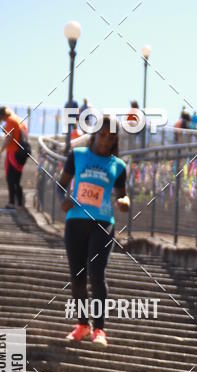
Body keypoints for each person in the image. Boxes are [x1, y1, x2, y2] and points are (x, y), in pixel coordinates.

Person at [57, 116, 129, 347]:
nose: (106, 141)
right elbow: (61, 184)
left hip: (102, 223)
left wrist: (124, 202)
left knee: (97, 274)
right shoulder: (77, 155)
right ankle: (82, 325)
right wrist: (63, 200)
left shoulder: (118, 165)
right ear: (95, 134)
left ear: (115, 141)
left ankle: (99, 329)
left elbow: (122, 195)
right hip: (76, 220)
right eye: (102, 135)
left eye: (111, 138)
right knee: (77, 277)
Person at [0, 106, 29, 209]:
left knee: (11, 178)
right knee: (16, 179)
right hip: (22, 153)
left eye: (2, 118)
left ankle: (12, 203)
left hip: (13, 153)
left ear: (3, 115)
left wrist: (0, 152)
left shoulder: (10, 121)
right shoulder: (19, 119)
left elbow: (9, 138)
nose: (3, 121)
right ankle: (19, 203)